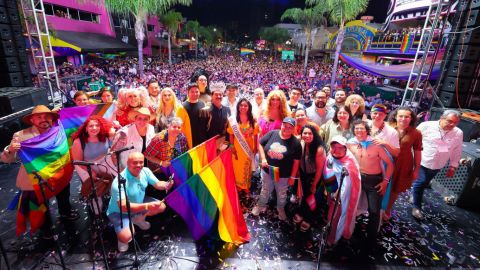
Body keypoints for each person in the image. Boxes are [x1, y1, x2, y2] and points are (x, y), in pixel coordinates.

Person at [1, 105, 79, 236]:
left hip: (60, 173)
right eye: (39, 117)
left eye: (47, 116)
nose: (43, 119)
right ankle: (45, 228)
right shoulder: (21, 135)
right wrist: (10, 150)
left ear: (51, 118)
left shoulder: (60, 129)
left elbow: (77, 123)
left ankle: (65, 214)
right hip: (37, 179)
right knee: (41, 207)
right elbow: (7, 159)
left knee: (64, 197)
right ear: (32, 120)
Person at [107, 152, 173, 252]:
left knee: (161, 206)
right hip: (119, 212)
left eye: (141, 162)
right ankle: (122, 238)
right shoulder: (119, 181)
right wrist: (146, 206)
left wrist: (166, 184)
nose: (139, 165)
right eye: (135, 163)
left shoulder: (145, 170)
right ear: (128, 163)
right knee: (126, 237)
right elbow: (124, 207)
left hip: (138, 203)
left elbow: (157, 184)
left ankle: (137, 220)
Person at [347, 120, 394, 250]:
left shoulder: (376, 144)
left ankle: (371, 239)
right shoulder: (350, 143)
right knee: (351, 206)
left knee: (374, 211)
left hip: (374, 180)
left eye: (362, 128)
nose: (359, 131)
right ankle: (348, 232)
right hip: (357, 179)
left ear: (367, 130)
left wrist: (385, 182)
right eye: (356, 129)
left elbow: (390, 164)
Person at [411, 109, 463, 220]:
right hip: (422, 160)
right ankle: (416, 207)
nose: (452, 124)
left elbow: (457, 150)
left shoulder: (458, 133)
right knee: (420, 183)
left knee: (424, 183)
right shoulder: (426, 126)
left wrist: (453, 166)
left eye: (455, 122)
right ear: (441, 118)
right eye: (449, 121)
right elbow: (412, 140)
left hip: (438, 164)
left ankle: (414, 194)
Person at [252, 117, 302, 221]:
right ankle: (260, 205)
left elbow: (296, 162)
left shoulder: (296, 143)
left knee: (282, 193)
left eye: (290, 127)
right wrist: (263, 158)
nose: (286, 129)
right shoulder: (273, 133)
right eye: (285, 126)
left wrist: (292, 176)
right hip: (268, 171)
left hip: (284, 174)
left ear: (293, 129)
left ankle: (280, 208)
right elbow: (261, 144)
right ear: (281, 125)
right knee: (265, 189)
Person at [383, 107, 422, 221]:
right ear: (395, 116)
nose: (403, 119)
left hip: (403, 164)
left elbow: (417, 152)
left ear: (411, 118)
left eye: (407, 116)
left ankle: (387, 210)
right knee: (381, 185)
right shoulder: (387, 127)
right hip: (386, 161)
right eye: (401, 116)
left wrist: (416, 170)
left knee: (395, 189)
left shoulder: (416, 133)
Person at [71, 115, 115, 214]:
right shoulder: (78, 142)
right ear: (86, 128)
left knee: (112, 183)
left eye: (97, 125)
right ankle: (96, 211)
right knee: (95, 190)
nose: (94, 128)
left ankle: (115, 205)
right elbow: (77, 161)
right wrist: (91, 173)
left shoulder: (106, 136)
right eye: (91, 126)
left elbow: (114, 130)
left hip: (104, 162)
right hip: (85, 165)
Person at [322, 135, 361, 245]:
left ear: (345, 148)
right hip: (332, 190)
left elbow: (348, 184)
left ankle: (332, 238)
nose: (336, 150)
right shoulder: (330, 156)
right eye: (334, 147)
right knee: (331, 215)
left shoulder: (349, 163)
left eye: (340, 148)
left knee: (336, 216)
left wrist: (337, 196)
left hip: (343, 195)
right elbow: (328, 174)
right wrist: (330, 193)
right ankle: (330, 231)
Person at [292, 124, 326, 248]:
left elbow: (319, 170)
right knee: (305, 197)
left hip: (314, 178)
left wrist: (314, 184)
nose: (307, 135)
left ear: (314, 135)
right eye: (304, 133)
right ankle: (303, 215)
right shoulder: (301, 144)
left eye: (309, 133)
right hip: (303, 176)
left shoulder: (318, 149)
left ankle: (308, 220)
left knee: (313, 199)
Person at [227, 98, 259, 192]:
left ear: (249, 107)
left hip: (248, 147)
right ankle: (238, 185)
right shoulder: (233, 119)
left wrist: (256, 147)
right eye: (241, 105)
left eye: (245, 105)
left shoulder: (253, 119)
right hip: (237, 147)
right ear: (238, 107)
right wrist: (232, 147)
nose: (243, 107)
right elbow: (231, 134)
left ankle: (246, 185)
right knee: (237, 167)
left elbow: (256, 134)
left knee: (247, 167)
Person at [176, 83, 209, 148]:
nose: (195, 94)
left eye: (197, 92)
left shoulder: (202, 104)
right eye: (192, 92)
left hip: (202, 139)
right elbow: (178, 127)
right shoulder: (182, 107)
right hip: (189, 141)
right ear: (188, 93)